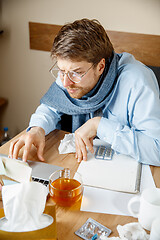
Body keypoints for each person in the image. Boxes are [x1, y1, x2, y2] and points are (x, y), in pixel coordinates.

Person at [9, 18, 160, 166]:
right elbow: (51, 107)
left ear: (100, 66)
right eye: (61, 71)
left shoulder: (137, 81)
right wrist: (37, 128)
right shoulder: (68, 75)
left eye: (77, 72)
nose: (66, 82)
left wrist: (99, 125)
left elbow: (157, 149)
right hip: (81, 165)